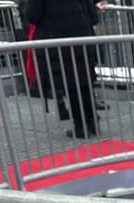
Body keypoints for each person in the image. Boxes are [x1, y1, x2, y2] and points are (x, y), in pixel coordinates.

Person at [24, 0, 99, 139]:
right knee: (85, 82)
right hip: (83, 38)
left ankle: (81, 127)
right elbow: (93, 16)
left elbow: (32, 16)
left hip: (58, 42)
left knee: (71, 85)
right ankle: (92, 123)